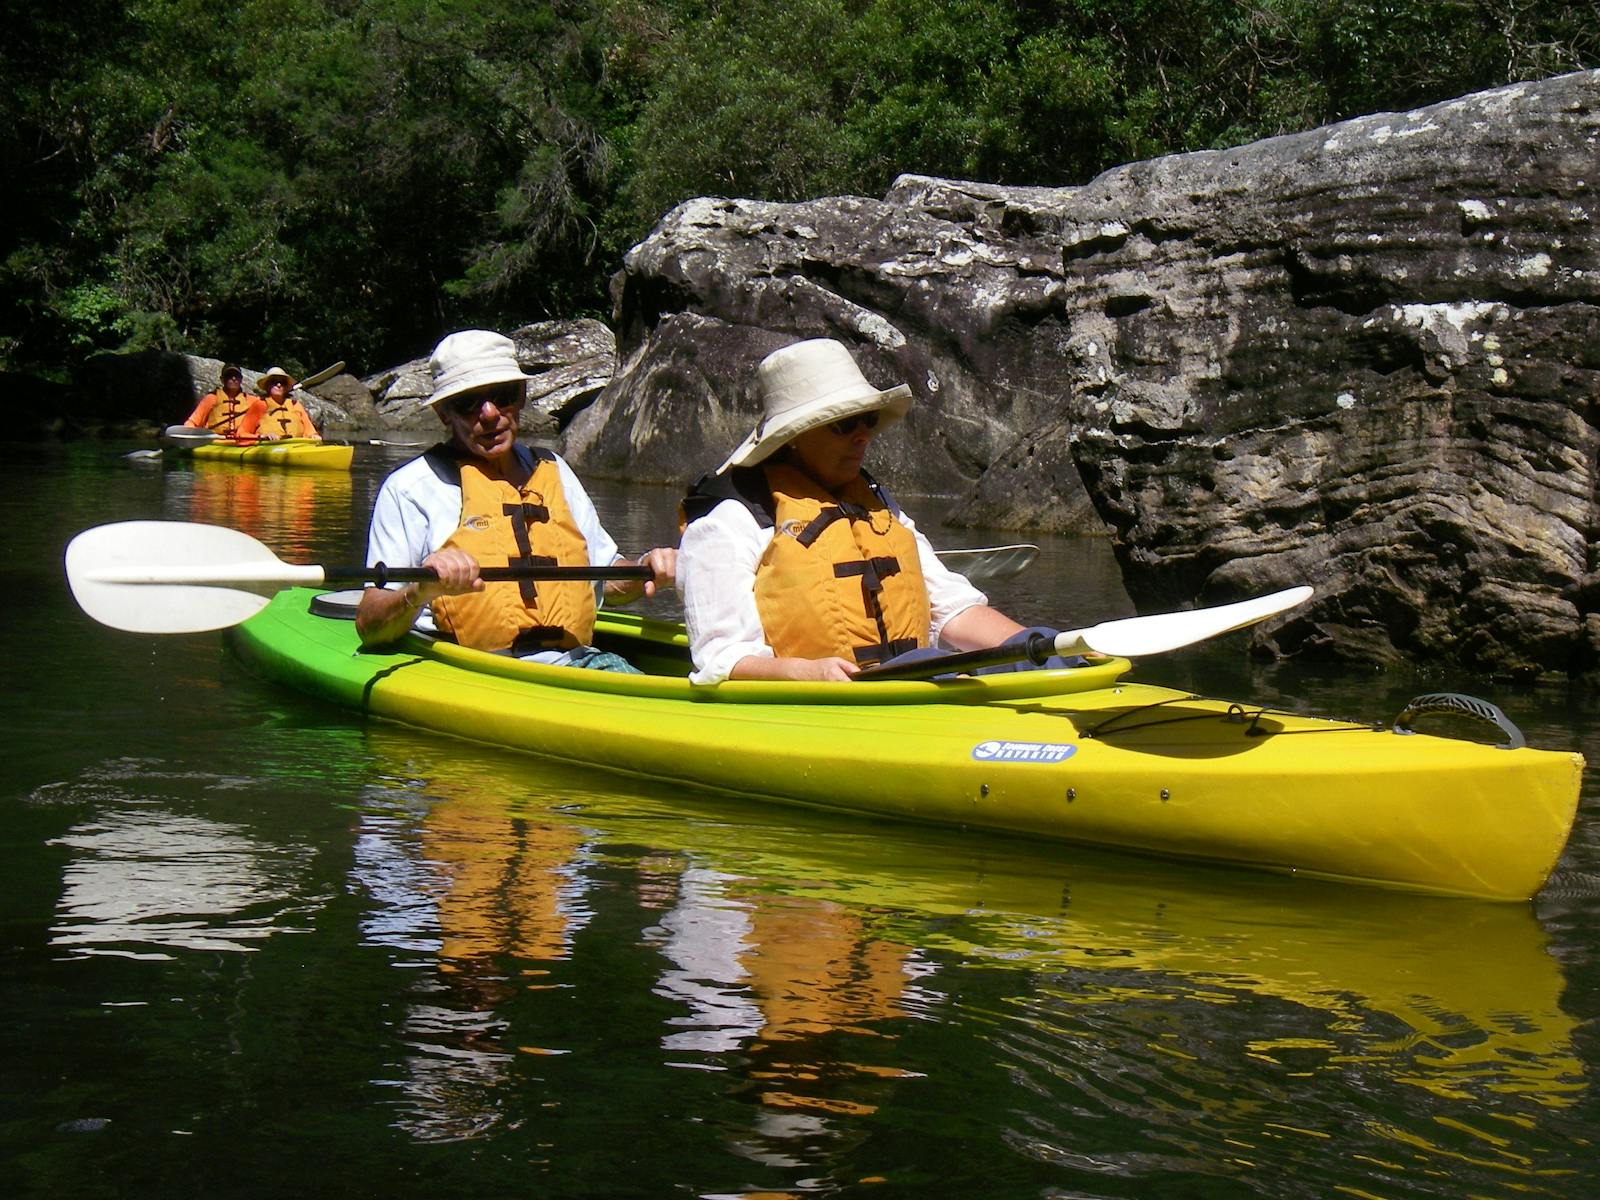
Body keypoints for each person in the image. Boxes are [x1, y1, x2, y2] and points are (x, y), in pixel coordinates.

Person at [678, 338, 1069, 684]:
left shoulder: (876, 505)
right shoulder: (728, 520)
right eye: (844, 424)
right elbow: (721, 659)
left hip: (913, 677)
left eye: (866, 420)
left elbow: (954, 610)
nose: (863, 434)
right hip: (820, 705)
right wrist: (808, 672)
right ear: (793, 437)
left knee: (1038, 648)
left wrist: (1046, 649)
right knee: (930, 663)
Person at [355, 329, 676, 670]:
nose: (490, 413)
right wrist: (419, 589)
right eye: (468, 402)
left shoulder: (555, 470)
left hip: (578, 663)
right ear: (444, 413)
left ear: (521, 396)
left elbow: (609, 580)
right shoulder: (409, 489)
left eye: (503, 394)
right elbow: (370, 626)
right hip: (465, 668)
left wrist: (646, 570)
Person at [182, 363, 264, 440]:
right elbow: (193, 422)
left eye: (236, 376)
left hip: (242, 442)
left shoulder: (252, 401)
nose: (234, 378)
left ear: (241, 379)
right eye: (229, 376)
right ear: (222, 379)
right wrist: (190, 434)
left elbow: (265, 421)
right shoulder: (211, 398)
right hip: (215, 443)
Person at [254, 367, 321, 440]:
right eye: (274, 382)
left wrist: (313, 435)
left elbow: (309, 429)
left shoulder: (295, 405)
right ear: (267, 385)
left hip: (296, 446)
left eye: (282, 382)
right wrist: (263, 436)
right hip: (267, 446)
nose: (279, 385)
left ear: (286, 386)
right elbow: (244, 433)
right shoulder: (259, 405)